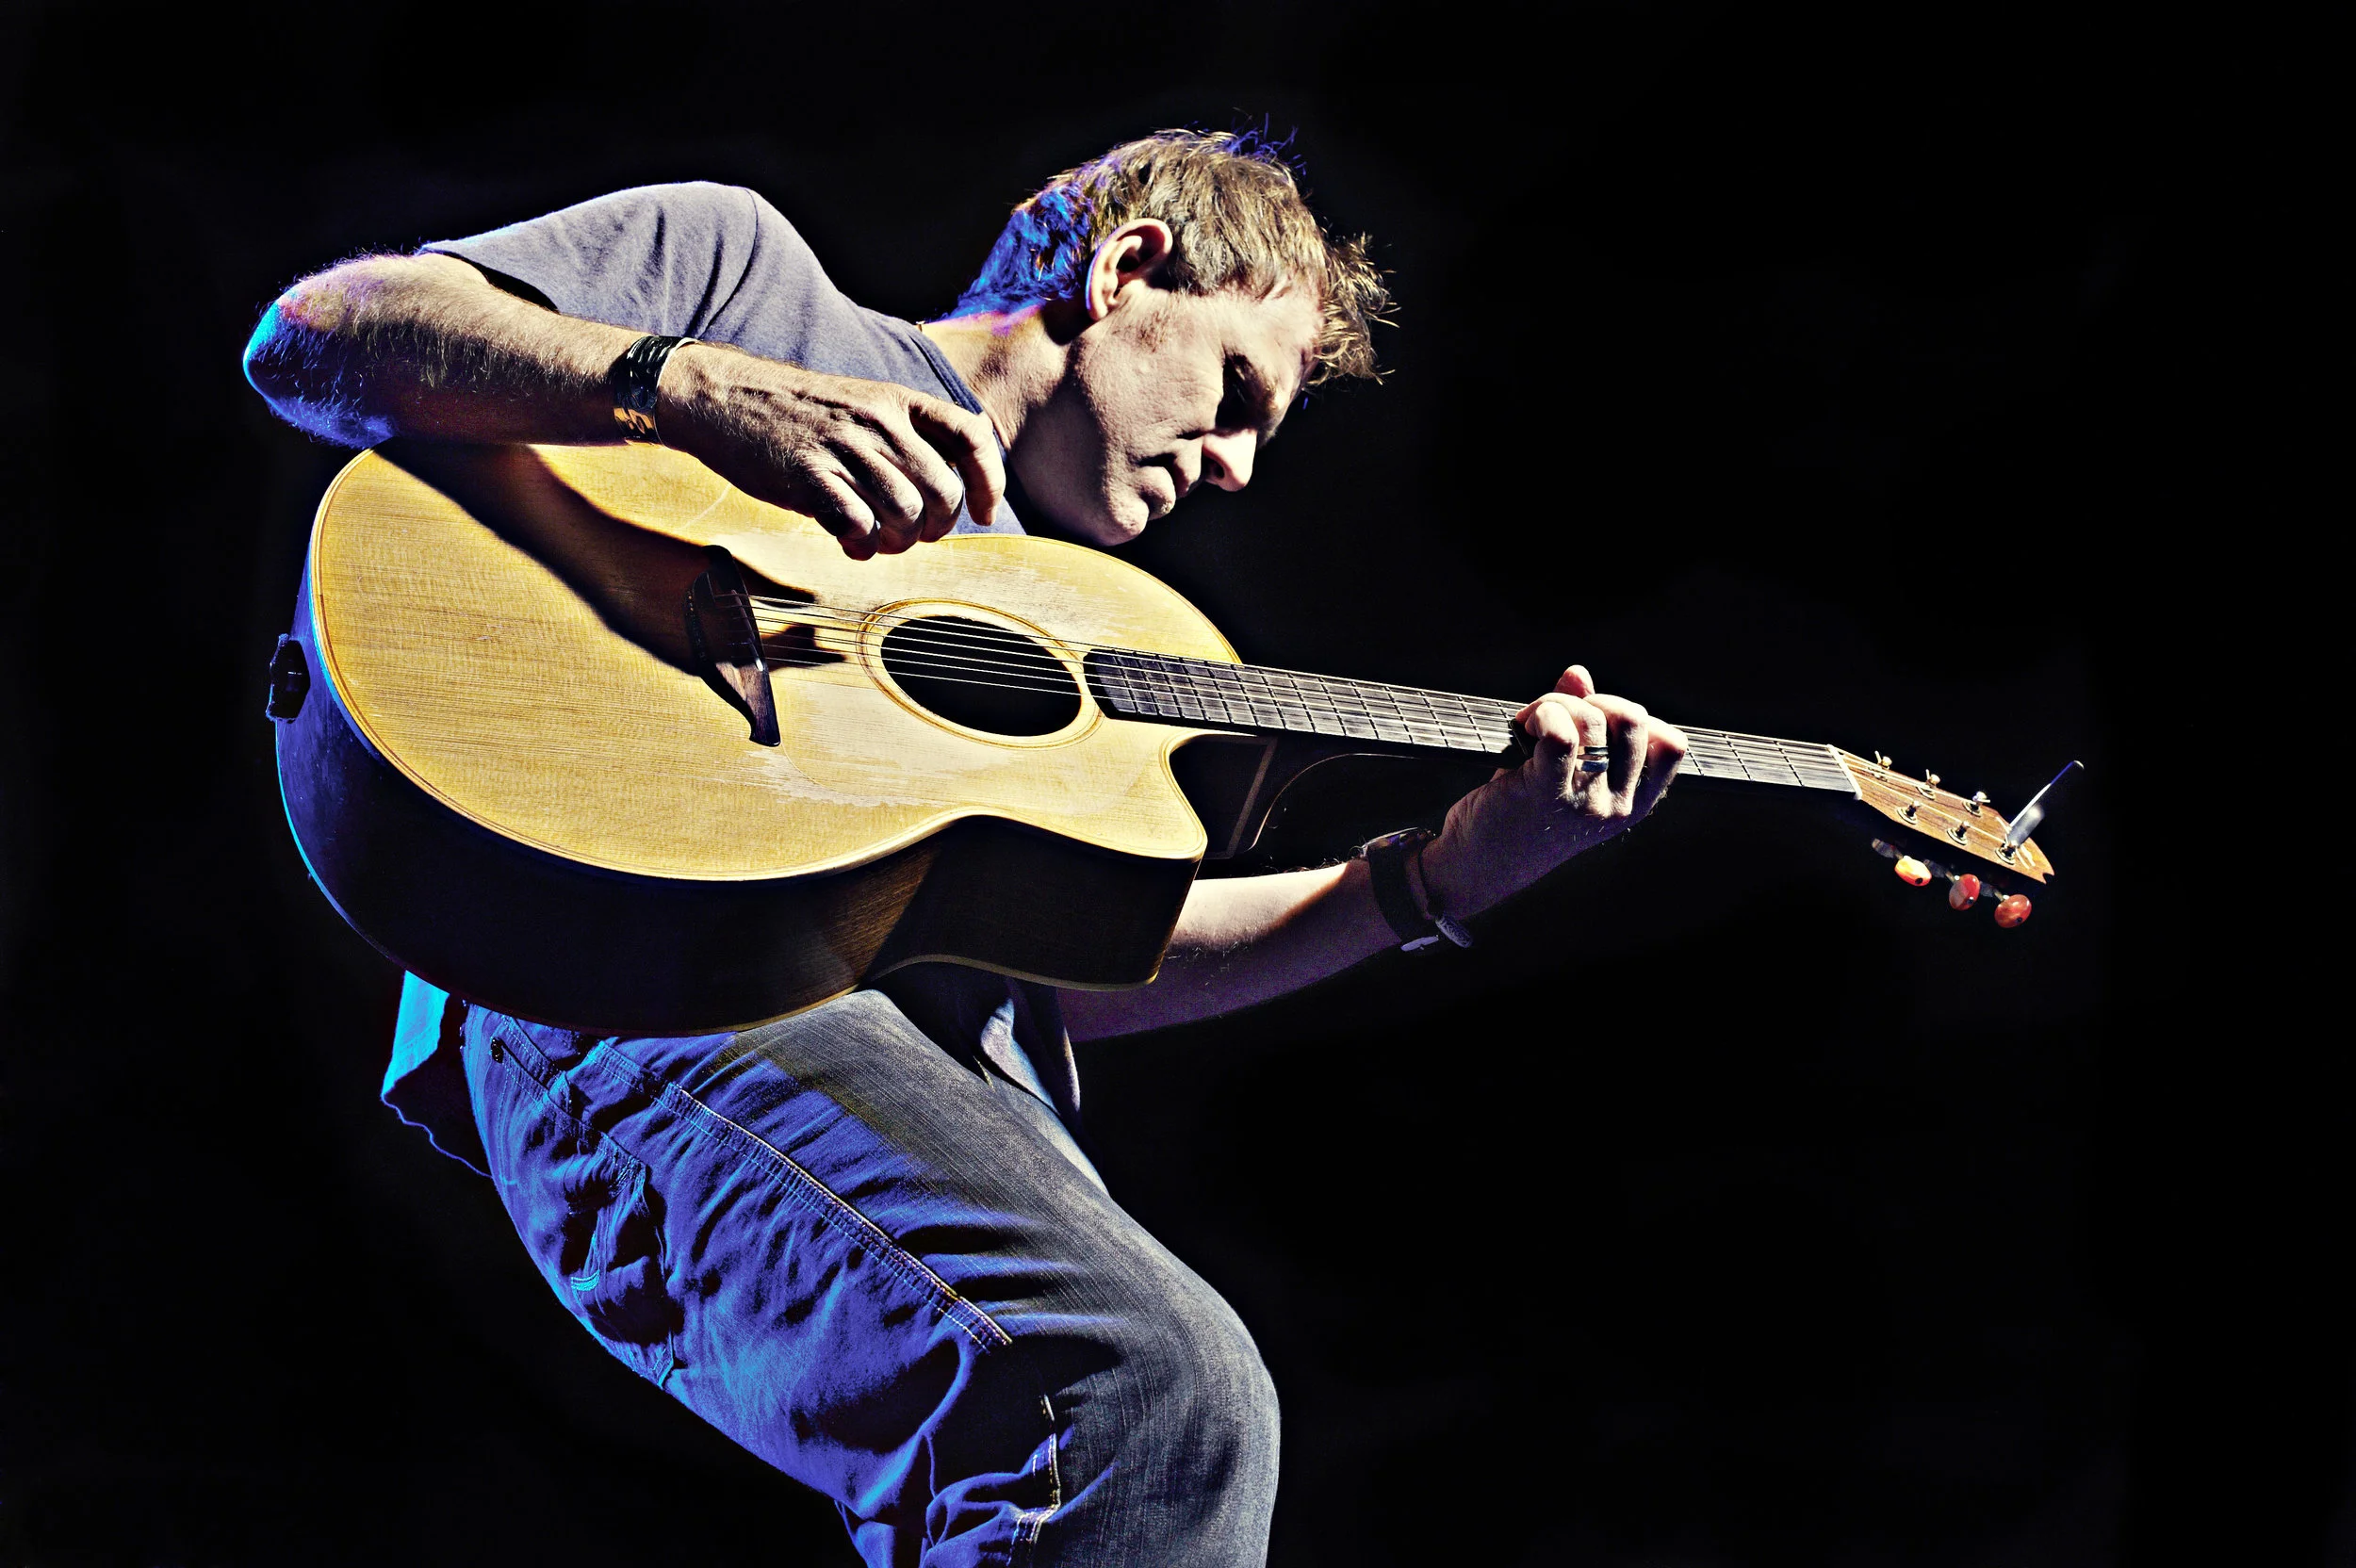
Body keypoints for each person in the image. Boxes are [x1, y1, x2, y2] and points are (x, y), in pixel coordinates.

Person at [243, 130, 1686, 1565]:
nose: (1241, 467)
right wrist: (686, 385)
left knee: (1150, 1430)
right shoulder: (745, 279)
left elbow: (1085, 968)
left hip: (948, 1088)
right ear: (1127, 271)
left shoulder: (1073, 627)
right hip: (658, 974)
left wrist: (1437, 877)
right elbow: (312, 338)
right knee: (1144, 1392)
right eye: (1239, 388)